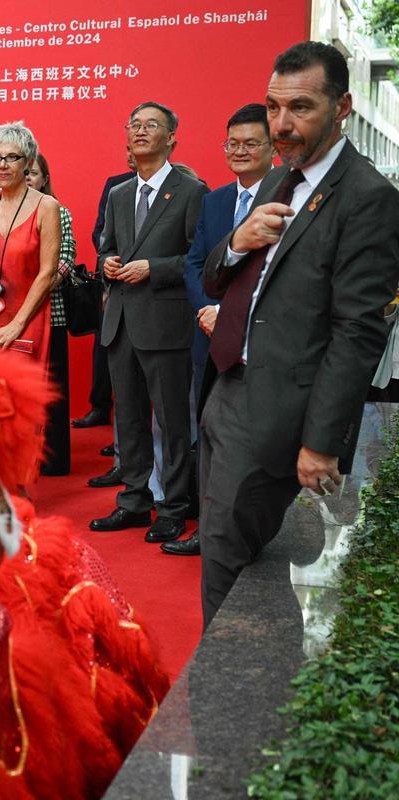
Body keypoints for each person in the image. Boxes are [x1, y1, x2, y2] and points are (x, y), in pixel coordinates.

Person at [198, 41, 399, 625]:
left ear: (342, 107)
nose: (281, 124)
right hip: (226, 387)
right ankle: (253, 672)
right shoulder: (278, 181)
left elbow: (359, 331)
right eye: (273, 106)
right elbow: (217, 279)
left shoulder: (368, 199)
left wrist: (322, 443)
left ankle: (225, 701)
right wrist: (238, 242)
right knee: (235, 547)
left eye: (301, 108)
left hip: (276, 413)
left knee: (225, 558)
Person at [88, 101, 207, 543]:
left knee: (173, 423)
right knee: (130, 420)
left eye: (150, 125)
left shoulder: (191, 191)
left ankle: (173, 507)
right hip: (121, 320)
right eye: (134, 124)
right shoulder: (120, 194)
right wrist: (108, 263)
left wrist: (154, 268)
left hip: (166, 323)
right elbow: (106, 247)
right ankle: (134, 500)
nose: (140, 131)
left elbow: (198, 259)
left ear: (172, 137)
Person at [163, 103, 274, 557]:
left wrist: (232, 317)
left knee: (256, 444)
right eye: (233, 143)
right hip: (209, 339)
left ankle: (252, 533)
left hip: (261, 346)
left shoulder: (291, 198)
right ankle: (209, 529)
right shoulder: (216, 200)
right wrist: (208, 310)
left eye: (252, 143)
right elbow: (195, 263)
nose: (241, 151)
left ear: (273, 147)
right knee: (206, 435)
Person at [0, 121, 61, 370]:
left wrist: (16, 325)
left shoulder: (46, 207)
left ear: (27, 162)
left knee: (20, 401)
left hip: (26, 322)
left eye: (12, 157)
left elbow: (47, 273)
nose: (2, 165)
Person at [74, 149, 137, 432]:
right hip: (114, 277)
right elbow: (101, 231)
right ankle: (100, 406)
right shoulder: (116, 185)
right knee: (105, 347)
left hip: (153, 283)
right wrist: (111, 258)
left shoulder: (182, 185)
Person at [25, 152, 74, 475]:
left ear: (45, 178)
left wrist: (31, 286)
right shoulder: (2, 212)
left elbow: (65, 261)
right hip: (13, 322)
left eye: (33, 173)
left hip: (51, 314)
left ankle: (54, 460)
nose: (28, 177)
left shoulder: (59, 211)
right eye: (24, 172)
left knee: (53, 391)